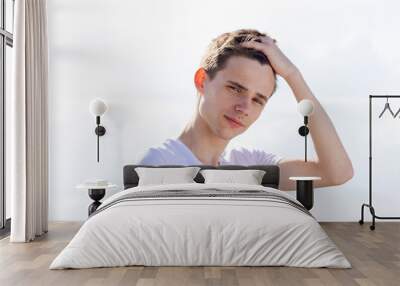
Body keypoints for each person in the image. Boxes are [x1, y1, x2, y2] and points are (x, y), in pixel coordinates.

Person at [137, 29, 354, 191]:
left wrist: (293, 75)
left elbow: (337, 173)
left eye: (258, 100)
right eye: (235, 88)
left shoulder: (247, 164)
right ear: (202, 80)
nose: (245, 108)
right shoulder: (158, 166)